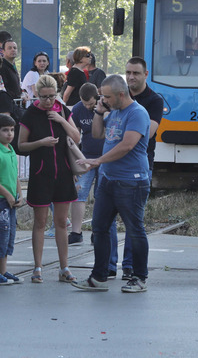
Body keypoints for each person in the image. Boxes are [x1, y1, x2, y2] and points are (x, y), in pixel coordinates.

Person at [72, 75, 151, 293]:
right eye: (102, 96)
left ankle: (139, 277)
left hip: (131, 182)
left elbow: (127, 145)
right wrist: (98, 111)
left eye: (107, 96)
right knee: (100, 228)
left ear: (121, 94)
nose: (104, 99)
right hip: (108, 180)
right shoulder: (113, 111)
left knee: (135, 230)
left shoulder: (137, 113)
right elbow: (97, 133)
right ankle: (99, 276)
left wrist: (98, 160)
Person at [18, 74, 81, 284]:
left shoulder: (62, 110)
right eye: (44, 97)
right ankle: (37, 267)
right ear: (36, 94)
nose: (48, 101)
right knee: (40, 223)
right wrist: (40, 142)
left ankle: (65, 267)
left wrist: (61, 119)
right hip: (40, 174)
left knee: (62, 222)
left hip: (63, 173)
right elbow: (21, 145)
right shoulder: (31, 114)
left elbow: (77, 137)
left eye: (52, 96)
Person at [105, 56, 164, 280]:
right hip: (112, 165)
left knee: (133, 220)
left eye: (136, 73)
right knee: (104, 220)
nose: (131, 77)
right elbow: (105, 132)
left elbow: (145, 135)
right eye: (128, 72)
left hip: (139, 165)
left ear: (145, 75)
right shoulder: (117, 97)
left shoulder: (153, 101)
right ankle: (109, 265)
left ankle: (129, 266)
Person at [0, 113, 25, 285]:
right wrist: (7, 195)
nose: (9, 134)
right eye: (5, 130)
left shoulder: (10, 149)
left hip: (10, 199)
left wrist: (19, 193)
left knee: (8, 235)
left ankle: (2, 271)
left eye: (12, 130)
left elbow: (14, 175)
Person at [69, 83, 103, 245]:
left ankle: (98, 231)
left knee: (101, 196)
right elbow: (74, 137)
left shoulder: (106, 106)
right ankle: (76, 232)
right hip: (86, 157)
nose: (87, 107)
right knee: (79, 193)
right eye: (84, 103)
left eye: (90, 104)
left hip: (105, 157)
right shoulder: (77, 109)